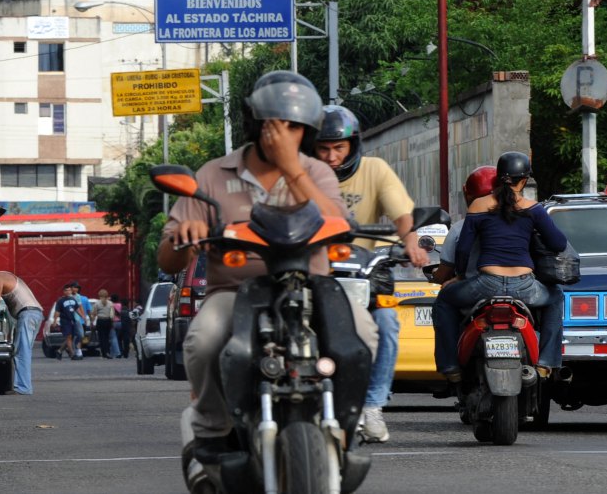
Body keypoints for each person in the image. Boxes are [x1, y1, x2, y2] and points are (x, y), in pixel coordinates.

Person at [157, 71, 378, 462]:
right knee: (204, 339)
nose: (283, 134)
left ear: (307, 132)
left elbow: (339, 225)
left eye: (294, 127)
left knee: (363, 331)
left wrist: (293, 169)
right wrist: (184, 238)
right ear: (254, 125)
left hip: (310, 287)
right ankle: (211, 429)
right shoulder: (212, 174)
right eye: (274, 124)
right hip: (235, 291)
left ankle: (346, 422)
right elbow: (168, 259)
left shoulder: (317, 172)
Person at [312, 105, 429, 443]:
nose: (331, 157)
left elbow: (401, 213)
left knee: (388, 325)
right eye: (323, 148)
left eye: (339, 148)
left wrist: (409, 241)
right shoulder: (303, 176)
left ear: (353, 145)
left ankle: (373, 406)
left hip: (365, 274)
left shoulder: (375, 170)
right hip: (316, 273)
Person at [432, 152, 567, 385]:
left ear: (498, 178)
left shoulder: (478, 205)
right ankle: (546, 363)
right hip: (525, 286)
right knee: (556, 297)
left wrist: (460, 276)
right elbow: (558, 244)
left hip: (486, 285)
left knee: (444, 298)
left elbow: (463, 250)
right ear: (524, 180)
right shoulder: (533, 208)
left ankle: (450, 366)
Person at [431, 166, 497, 285]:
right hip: (521, 285)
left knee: (442, 300)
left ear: (466, 193)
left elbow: (444, 273)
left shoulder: (459, 228)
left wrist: (459, 277)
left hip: (476, 287)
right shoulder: (520, 221)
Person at [55, 284, 86, 360]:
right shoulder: (60, 301)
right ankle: (72, 354)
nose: (68, 292)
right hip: (65, 321)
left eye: (69, 290)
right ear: (63, 291)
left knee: (72, 337)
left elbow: (77, 308)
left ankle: (59, 351)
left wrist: (82, 315)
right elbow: (57, 312)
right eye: (66, 290)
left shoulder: (73, 299)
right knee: (69, 337)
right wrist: (55, 320)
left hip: (73, 320)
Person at [91, 289, 117, 359]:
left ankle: (104, 353)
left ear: (99, 295)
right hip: (108, 321)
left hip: (100, 321)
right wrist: (112, 322)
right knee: (107, 337)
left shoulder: (97, 304)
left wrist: (92, 322)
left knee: (101, 338)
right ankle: (108, 352)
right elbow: (112, 314)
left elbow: (94, 314)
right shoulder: (110, 303)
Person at [69, 281, 91, 358]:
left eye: (77, 288)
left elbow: (79, 306)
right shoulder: (68, 296)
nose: (75, 289)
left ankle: (77, 348)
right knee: (70, 336)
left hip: (77, 319)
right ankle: (75, 352)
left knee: (81, 335)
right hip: (69, 319)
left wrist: (83, 316)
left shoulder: (78, 296)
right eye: (74, 287)